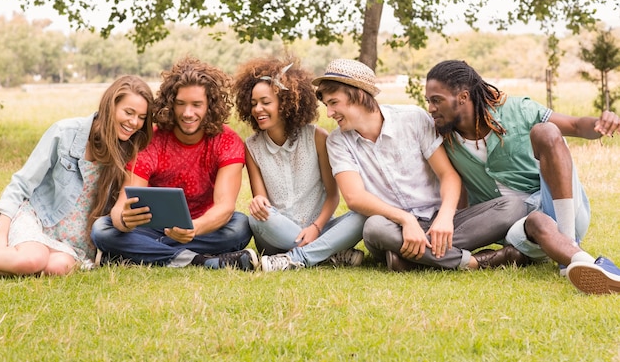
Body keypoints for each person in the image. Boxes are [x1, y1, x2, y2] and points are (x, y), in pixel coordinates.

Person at [424, 59, 620, 294]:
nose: (431, 109)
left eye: (437, 100)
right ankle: (589, 264)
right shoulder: (442, 138)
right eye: (429, 101)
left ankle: (568, 244)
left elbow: (576, 126)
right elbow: (460, 189)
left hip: (560, 208)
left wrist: (601, 123)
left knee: (545, 131)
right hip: (519, 230)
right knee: (536, 221)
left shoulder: (517, 110)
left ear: (463, 97)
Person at [313, 59, 529, 272]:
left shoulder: (413, 118)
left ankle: (410, 259)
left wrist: (445, 217)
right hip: (393, 227)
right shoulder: (337, 141)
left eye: (333, 103)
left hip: (438, 221)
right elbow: (354, 197)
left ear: (358, 95)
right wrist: (405, 220)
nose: (329, 113)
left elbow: (448, 175)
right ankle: (472, 262)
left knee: (513, 206)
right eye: (327, 105)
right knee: (374, 228)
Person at [91, 57, 257, 270]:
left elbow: (224, 207)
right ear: (171, 103)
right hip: (152, 227)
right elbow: (122, 203)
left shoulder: (227, 141)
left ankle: (135, 253)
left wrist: (193, 229)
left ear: (210, 106)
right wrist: (123, 219)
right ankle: (201, 261)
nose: (188, 113)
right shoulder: (151, 141)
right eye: (181, 104)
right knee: (102, 229)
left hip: (203, 227)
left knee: (240, 226)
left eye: (197, 105)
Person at [0, 76, 154, 275]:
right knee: (33, 260)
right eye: (129, 112)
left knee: (57, 267)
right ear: (109, 106)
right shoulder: (65, 132)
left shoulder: (129, 152)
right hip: (39, 220)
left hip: (75, 243)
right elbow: (22, 183)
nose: (134, 122)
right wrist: (0, 237)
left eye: (141, 117)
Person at [232, 57, 367, 272]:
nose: (258, 109)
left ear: (285, 102)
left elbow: (333, 197)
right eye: (254, 103)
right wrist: (258, 202)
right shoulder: (252, 146)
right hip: (276, 233)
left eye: (265, 102)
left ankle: (297, 257)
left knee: (363, 215)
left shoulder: (317, 138)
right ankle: (328, 252)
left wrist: (315, 228)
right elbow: (262, 200)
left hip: (319, 228)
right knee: (257, 220)